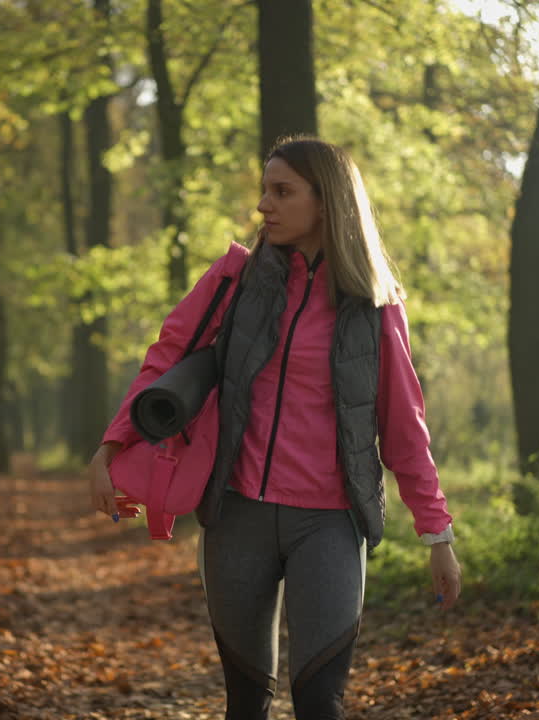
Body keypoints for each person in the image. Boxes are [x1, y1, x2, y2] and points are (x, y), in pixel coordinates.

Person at [85, 136, 461, 720]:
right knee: (246, 705)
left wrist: (437, 535)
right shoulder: (236, 279)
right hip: (237, 515)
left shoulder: (374, 304)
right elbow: (167, 357)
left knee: (319, 701)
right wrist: (112, 447)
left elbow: (403, 425)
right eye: (265, 190)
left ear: (327, 200)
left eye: (282, 191)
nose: (264, 205)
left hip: (330, 524)